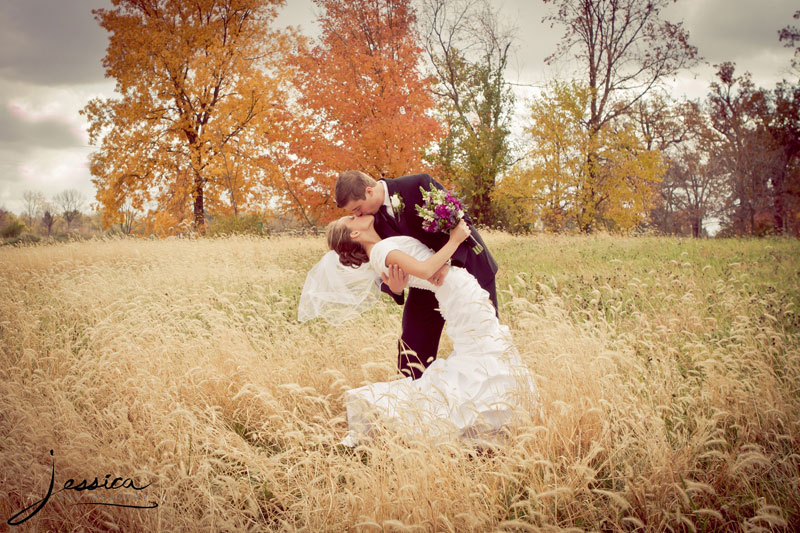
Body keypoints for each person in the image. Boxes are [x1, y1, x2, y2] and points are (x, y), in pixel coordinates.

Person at [325, 214, 537, 446]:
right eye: (351, 218)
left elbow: (416, 273)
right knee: (484, 350)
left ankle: (494, 421)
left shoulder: (382, 246)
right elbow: (425, 270)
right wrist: (455, 240)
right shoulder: (381, 251)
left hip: (458, 290)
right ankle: (483, 421)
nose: (357, 214)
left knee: (484, 350)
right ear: (355, 233)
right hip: (456, 294)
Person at [335, 170, 498, 380]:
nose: (357, 215)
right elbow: (377, 258)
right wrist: (393, 288)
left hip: (466, 270)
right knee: (411, 349)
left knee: (484, 339)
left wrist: (447, 265)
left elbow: (460, 220)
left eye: (357, 208)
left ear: (369, 191)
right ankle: (412, 405)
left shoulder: (418, 184)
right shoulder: (368, 222)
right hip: (424, 283)